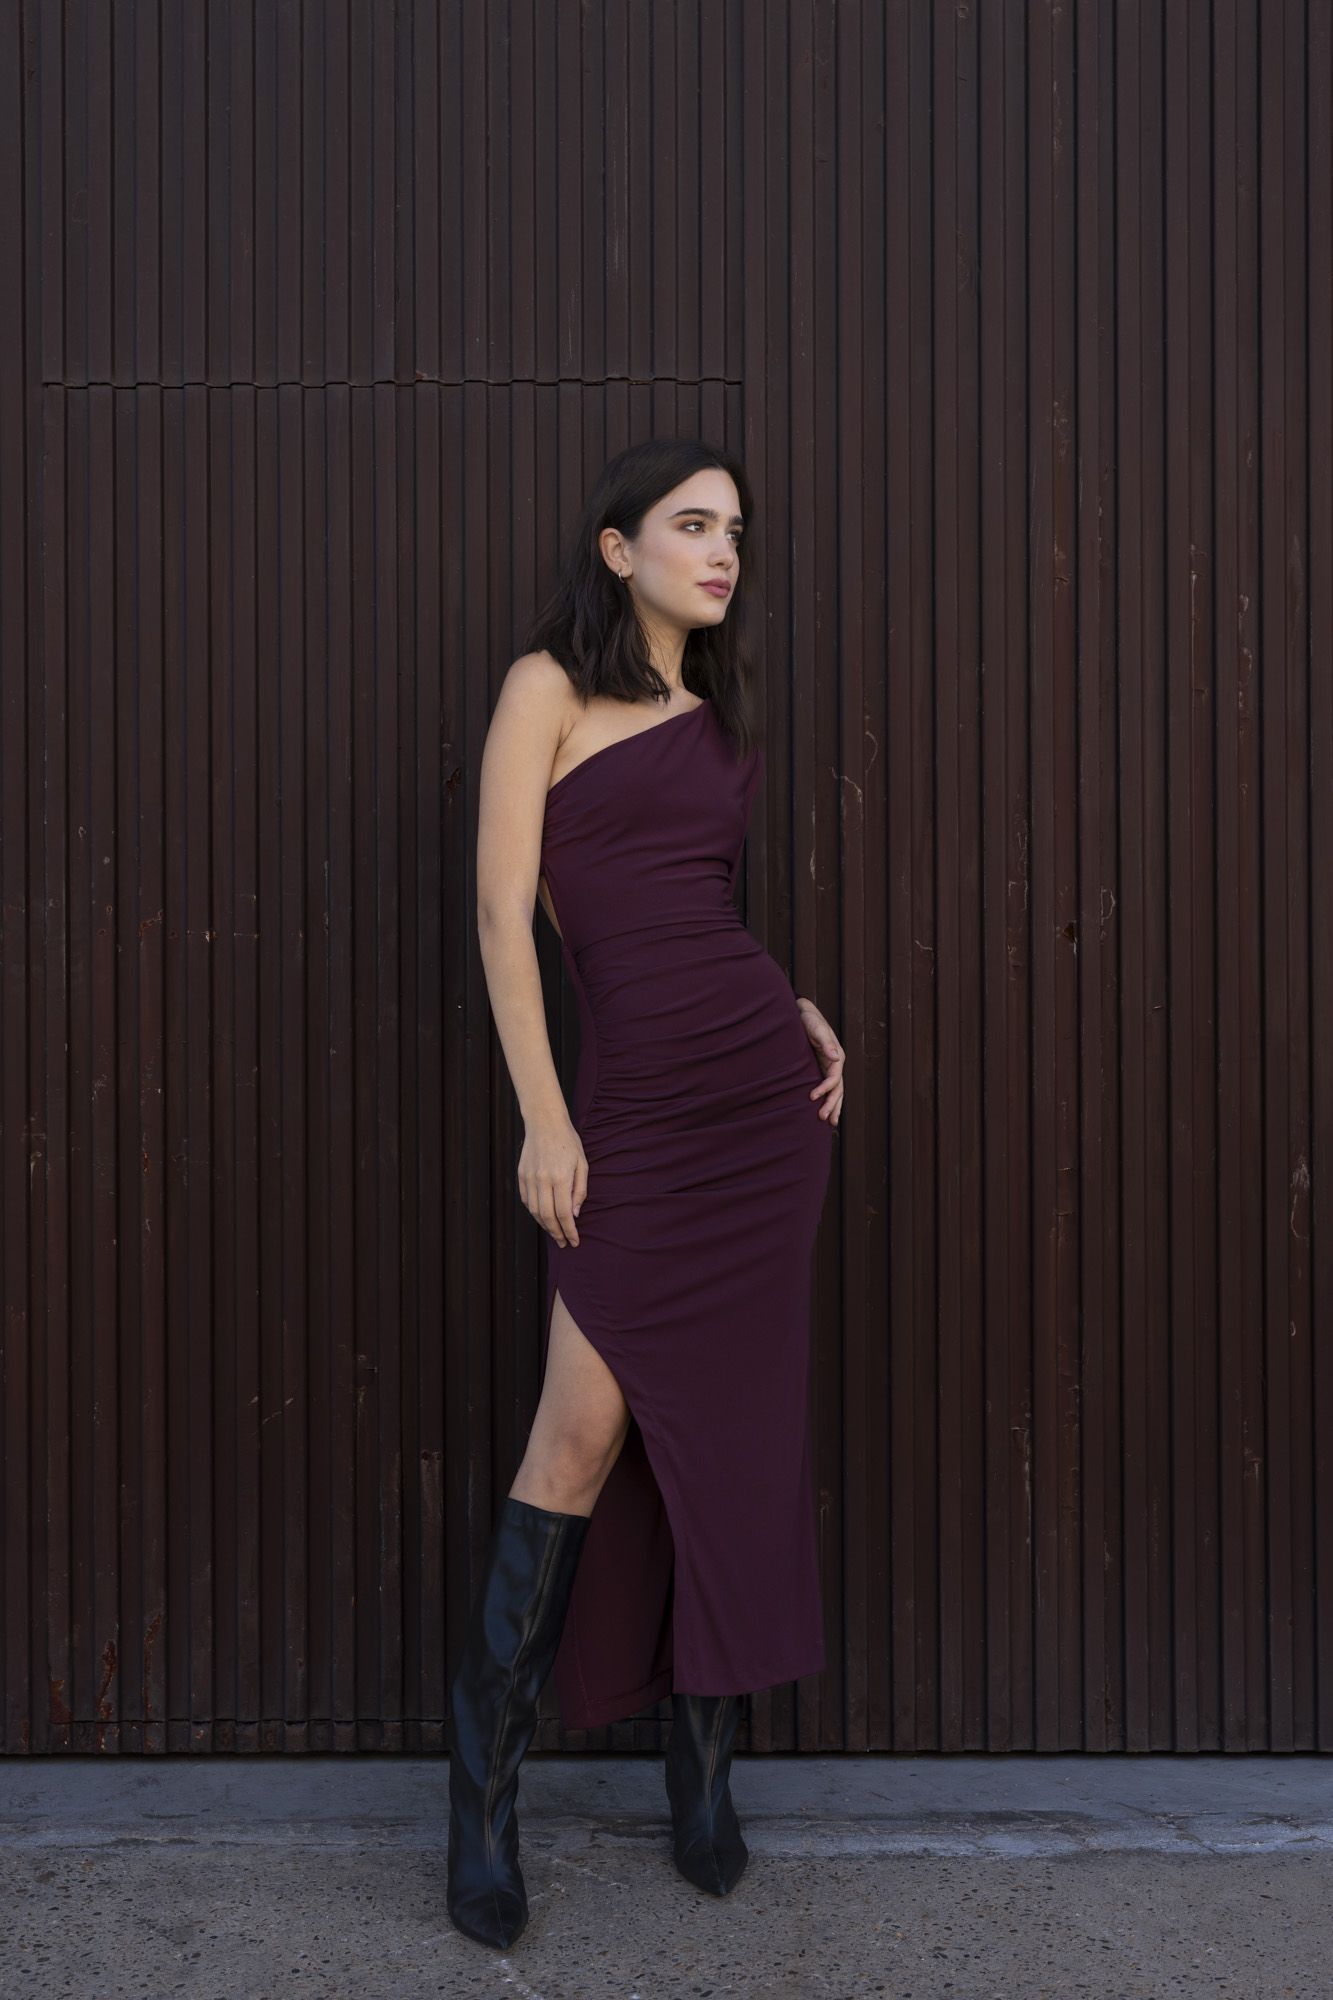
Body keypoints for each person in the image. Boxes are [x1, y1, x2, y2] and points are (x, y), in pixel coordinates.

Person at [448, 437, 845, 1949]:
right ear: (619, 549)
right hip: (627, 1118)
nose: (722, 549)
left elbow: (697, 914)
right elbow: (505, 915)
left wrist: (789, 1005)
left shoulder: (719, 724)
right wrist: (545, 1121)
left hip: (756, 1113)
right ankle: (480, 1811)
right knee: (578, 1436)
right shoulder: (544, 689)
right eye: (691, 523)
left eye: (734, 527)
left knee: (732, 1439)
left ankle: (704, 1783)